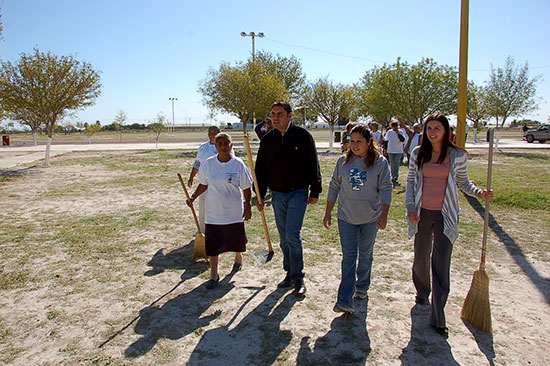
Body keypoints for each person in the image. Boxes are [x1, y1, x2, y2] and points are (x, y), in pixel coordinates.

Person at [406, 113, 493, 337]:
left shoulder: (457, 155)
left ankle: (438, 315)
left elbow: (463, 181)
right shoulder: (418, 154)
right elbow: (411, 182)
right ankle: (422, 292)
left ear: (446, 131)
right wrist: (410, 208)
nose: (432, 132)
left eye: (437, 128)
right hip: (422, 213)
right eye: (429, 128)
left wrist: (479, 193)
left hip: (447, 216)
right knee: (421, 256)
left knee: (441, 262)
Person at [255, 101, 322, 298]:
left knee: (292, 235)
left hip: (298, 193)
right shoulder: (268, 140)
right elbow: (261, 170)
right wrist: (258, 193)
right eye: (273, 114)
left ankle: (298, 276)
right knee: (284, 238)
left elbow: (313, 164)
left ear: (290, 115)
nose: (276, 117)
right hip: (277, 194)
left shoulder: (302, 136)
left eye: (280, 114)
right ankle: (289, 273)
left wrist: (315, 190)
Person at [323, 124, 392, 315]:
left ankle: (362, 287)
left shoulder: (380, 163)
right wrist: (328, 211)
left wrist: (384, 214)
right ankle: (344, 299)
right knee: (349, 257)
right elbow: (334, 186)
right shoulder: (342, 162)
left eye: (359, 141)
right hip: (346, 217)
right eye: (351, 141)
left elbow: (386, 188)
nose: (354, 145)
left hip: (370, 218)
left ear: (369, 142)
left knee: (366, 254)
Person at [187, 133, 253, 289]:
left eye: (226, 143)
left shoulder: (238, 164)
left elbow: (246, 187)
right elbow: (203, 184)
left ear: (231, 145)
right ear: (215, 147)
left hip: (234, 211)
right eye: (220, 144)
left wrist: (248, 206)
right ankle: (214, 275)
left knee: (236, 240)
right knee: (213, 244)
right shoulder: (208, 164)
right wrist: (193, 197)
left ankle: (238, 257)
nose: (223, 146)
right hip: (214, 213)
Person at [188, 126, 222, 234]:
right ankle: (202, 230)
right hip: (203, 182)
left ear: (219, 133)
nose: (212, 135)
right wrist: (192, 176)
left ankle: (218, 230)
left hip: (218, 183)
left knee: (217, 206)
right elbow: (198, 163)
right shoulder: (203, 148)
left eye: (214, 133)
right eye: (210, 133)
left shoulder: (223, 147)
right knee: (203, 205)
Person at [383, 121, 406, 186]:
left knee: (396, 163)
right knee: (392, 163)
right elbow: (386, 141)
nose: (394, 127)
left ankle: (395, 176)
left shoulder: (400, 131)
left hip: (398, 151)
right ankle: (393, 175)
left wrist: (398, 133)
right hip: (390, 150)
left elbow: (402, 140)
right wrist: (385, 149)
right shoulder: (389, 132)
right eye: (393, 126)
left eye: (395, 126)